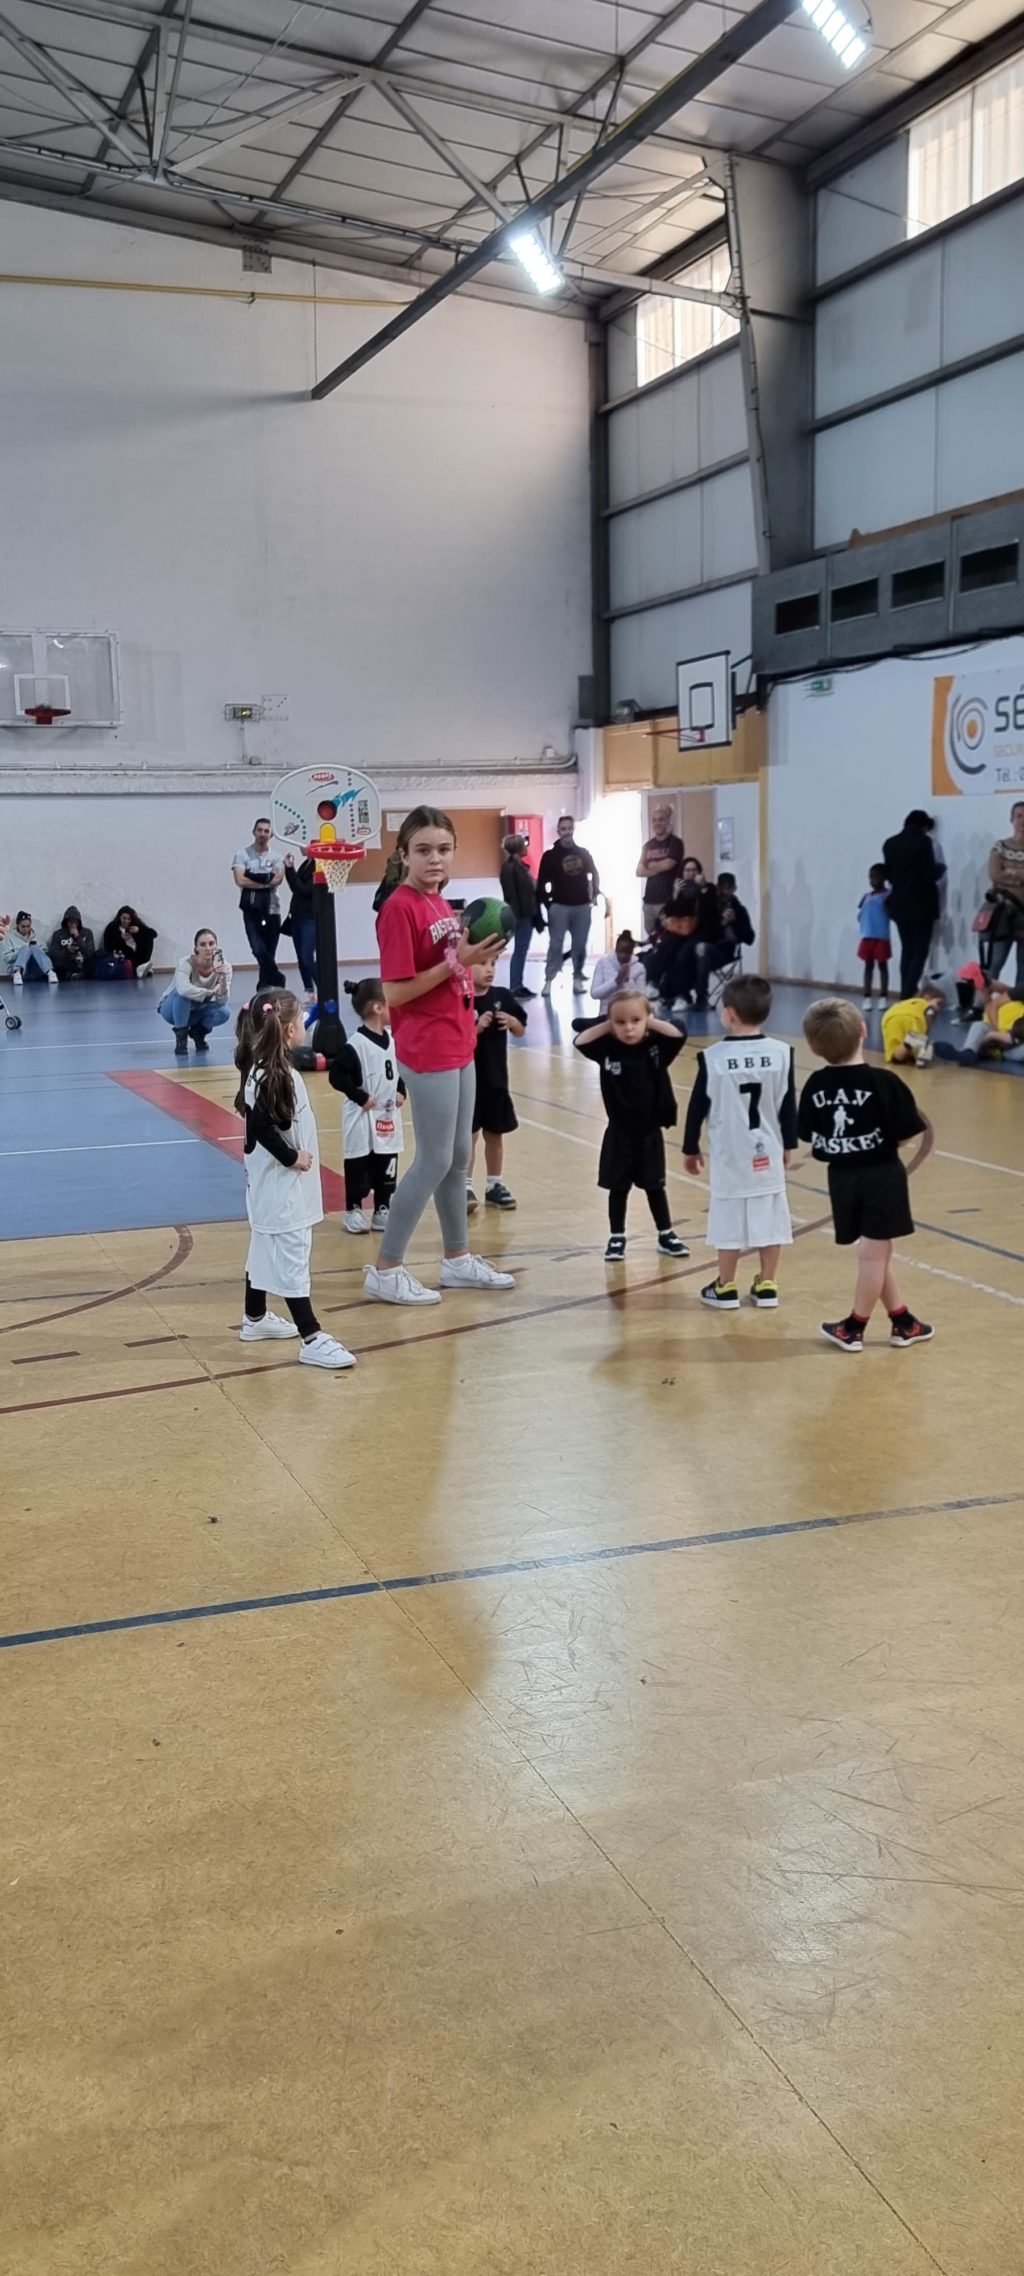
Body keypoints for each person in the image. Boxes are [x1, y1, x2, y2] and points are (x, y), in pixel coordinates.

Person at [368, 804, 517, 1306]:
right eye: (424, 850)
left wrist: (475, 961)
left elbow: (453, 966)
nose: (435, 858)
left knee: (457, 1158)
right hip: (426, 1044)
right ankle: (386, 1269)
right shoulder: (400, 908)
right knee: (433, 1159)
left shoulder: (439, 903)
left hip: (459, 1038)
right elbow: (394, 993)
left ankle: (456, 1259)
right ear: (403, 854)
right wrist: (459, 961)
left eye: (444, 849)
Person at [799, 996, 933, 1351]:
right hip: (881, 1176)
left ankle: (900, 1322)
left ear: (813, 1047)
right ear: (863, 1031)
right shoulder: (884, 1082)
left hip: (842, 1179)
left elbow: (808, 1133)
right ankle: (857, 1327)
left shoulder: (815, 1085)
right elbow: (907, 1132)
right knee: (875, 1253)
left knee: (875, 1250)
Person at [236, 990, 355, 1370]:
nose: (304, 1026)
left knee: (263, 1246)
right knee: (292, 1257)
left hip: (268, 1186)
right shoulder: (274, 1075)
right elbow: (261, 1125)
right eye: (302, 1020)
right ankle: (311, 1336)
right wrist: (292, 1156)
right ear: (289, 1030)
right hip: (282, 1186)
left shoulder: (266, 1068)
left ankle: (255, 1317)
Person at [682, 974, 796, 1312]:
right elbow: (788, 1105)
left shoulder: (713, 1057)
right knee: (770, 1215)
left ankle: (726, 1285)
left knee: (729, 1217)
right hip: (768, 1149)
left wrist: (690, 1146)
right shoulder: (782, 1053)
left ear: (729, 1014)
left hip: (730, 1153)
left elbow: (697, 1106)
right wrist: (788, 1143)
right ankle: (768, 1284)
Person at [574, 992, 689, 1262]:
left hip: (649, 1133)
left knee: (655, 1187)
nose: (628, 1028)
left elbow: (677, 1034)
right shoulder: (607, 1049)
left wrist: (648, 1021)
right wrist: (608, 1024)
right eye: (621, 1022)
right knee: (618, 1188)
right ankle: (617, 1236)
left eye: (635, 1020)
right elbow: (580, 1040)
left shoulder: (656, 1048)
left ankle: (666, 1234)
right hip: (619, 1134)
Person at [330, 978, 405, 1233]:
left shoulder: (393, 1040)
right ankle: (353, 1209)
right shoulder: (356, 1045)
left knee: (386, 1165)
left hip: (386, 1116)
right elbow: (336, 1076)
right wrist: (359, 1096)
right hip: (361, 1117)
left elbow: (398, 1070)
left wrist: (401, 1090)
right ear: (377, 1007)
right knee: (359, 1166)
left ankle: (382, 1207)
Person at [468, 954, 525, 1212]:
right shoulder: (462, 998)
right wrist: (476, 1028)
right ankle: (465, 1186)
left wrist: (512, 1022)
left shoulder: (502, 995)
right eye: (482, 964)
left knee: (495, 1135)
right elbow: (455, 1038)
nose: (489, 969)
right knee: (469, 1137)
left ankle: (494, 1184)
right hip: (469, 1081)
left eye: (493, 964)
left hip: (496, 1080)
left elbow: (520, 1029)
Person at [881, 810, 942, 999]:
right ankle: (908, 992)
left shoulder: (890, 843)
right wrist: (940, 869)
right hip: (922, 904)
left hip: (898, 903)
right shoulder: (924, 842)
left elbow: (889, 875)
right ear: (923, 826)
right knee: (920, 950)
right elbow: (928, 874)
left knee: (907, 949)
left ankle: (905, 990)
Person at [537, 816, 599, 997]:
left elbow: (594, 874)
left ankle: (577, 978)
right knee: (555, 945)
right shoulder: (550, 856)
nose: (567, 832)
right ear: (558, 831)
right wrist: (549, 905)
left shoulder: (583, 853)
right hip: (559, 907)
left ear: (573, 829)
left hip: (582, 906)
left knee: (580, 944)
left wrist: (594, 895)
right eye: (563, 829)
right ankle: (549, 980)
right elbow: (541, 882)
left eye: (569, 828)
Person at [157, 928, 232, 1056]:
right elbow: (183, 989)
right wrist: (208, 993)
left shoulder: (225, 967)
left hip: (197, 1009)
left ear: (216, 945)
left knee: (224, 1012)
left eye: (211, 943)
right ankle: (181, 1039)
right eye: (203, 944)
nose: (208, 948)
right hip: (172, 1010)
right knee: (182, 995)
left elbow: (222, 1001)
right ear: (196, 948)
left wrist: (223, 982)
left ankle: (199, 1033)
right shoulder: (185, 963)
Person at [232, 816, 285, 989]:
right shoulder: (242, 855)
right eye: (260, 830)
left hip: (272, 908)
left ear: (271, 835)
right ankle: (277, 977)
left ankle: (264, 986)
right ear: (253, 832)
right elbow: (240, 879)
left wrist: (253, 876)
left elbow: (277, 879)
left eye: (266, 831)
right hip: (251, 908)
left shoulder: (277, 857)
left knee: (270, 950)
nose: (263, 834)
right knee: (257, 949)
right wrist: (265, 881)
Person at [984, 800, 1024, 993]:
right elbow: (995, 874)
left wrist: (1009, 873)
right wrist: (1020, 878)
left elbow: (1002, 875)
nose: (1022, 821)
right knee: (995, 962)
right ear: (1011, 819)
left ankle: (1018, 1008)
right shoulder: (1000, 847)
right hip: (1003, 913)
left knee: (1023, 967)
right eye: (1019, 816)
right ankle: (981, 1005)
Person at [938, 979, 1024, 1066]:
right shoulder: (1020, 989)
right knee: (979, 1025)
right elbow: (993, 1006)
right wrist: (998, 1031)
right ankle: (969, 1052)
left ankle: (997, 1052)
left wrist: (996, 1036)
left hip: (1018, 1039)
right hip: (1009, 1030)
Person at [500, 834, 543, 998]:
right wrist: (516, 917)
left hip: (526, 913)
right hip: (520, 915)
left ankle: (518, 984)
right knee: (520, 950)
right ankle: (515, 986)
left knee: (522, 950)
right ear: (518, 847)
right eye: (524, 845)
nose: (526, 847)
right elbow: (510, 895)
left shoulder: (521, 867)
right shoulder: (510, 868)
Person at [636, 802, 685, 937]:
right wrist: (658, 866)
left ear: (668, 822)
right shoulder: (647, 846)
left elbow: (668, 865)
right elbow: (639, 871)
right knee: (652, 938)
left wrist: (649, 865)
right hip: (649, 902)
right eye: (654, 820)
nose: (657, 823)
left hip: (667, 901)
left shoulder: (676, 843)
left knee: (669, 936)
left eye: (661, 820)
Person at [881, 985, 945, 1067]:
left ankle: (907, 1044)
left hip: (890, 1017)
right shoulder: (925, 1005)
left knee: (894, 1052)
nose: (938, 1009)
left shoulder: (906, 1003)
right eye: (938, 1004)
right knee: (920, 1043)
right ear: (927, 996)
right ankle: (918, 1054)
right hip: (913, 1017)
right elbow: (929, 1014)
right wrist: (926, 1037)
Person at [857, 863, 892, 1009]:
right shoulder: (866, 897)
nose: (873, 881)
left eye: (876, 877)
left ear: (884, 878)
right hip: (867, 937)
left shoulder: (887, 896)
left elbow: (890, 912)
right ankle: (867, 996)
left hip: (881, 937)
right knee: (868, 966)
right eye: (870, 878)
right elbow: (861, 913)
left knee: (882, 966)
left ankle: (883, 996)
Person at [282, 853, 317, 997]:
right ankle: (310, 992)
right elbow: (296, 887)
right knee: (302, 959)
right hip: (297, 917)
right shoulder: (306, 863)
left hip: (309, 919)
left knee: (306, 957)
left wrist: (290, 869)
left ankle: (324, 988)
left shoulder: (318, 866)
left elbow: (304, 890)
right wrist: (290, 869)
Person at [590, 932, 651, 1015]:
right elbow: (595, 994)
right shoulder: (603, 963)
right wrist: (616, 981)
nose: (623, 955)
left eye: (627, 953)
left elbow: (642, 998)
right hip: (606, 1014)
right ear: (616, 950)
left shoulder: (639, 968)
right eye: (621, 952)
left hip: (630, 1015)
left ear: (632, 952)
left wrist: (627, 981)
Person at [1, 911, 57, 986]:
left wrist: (34, 950)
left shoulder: (37, 938)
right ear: (18, 925)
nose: (26, 929)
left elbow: (45, 952)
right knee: (25, 949)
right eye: (23, 926)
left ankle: (50, 972)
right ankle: (17, 973)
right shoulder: (10, 938)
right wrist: (20, 953)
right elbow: (6, 957)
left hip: (36, 970)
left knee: (34, 947)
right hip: (20, 970)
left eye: (28, 926)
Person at [102, 905, 156, 977]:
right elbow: (108, 945)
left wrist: (139, 930)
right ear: (119, 918)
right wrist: (121, 939)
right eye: (124, 918)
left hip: (138, 954)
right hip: (122, 956)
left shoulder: (135, 925)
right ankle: (138, 968)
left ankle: (142, 965)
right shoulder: (112, 927)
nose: (126, 921)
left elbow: (154, 933)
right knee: (125, 950)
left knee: (148, 937)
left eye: (129, 919)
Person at [48, 905, 96, 981]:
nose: (73, 925)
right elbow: (53, 955)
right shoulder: (58, 934)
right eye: (70, 922)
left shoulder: (87, 932)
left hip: (82, 962)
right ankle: (73, 974)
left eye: (75, 923)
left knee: (96, 959)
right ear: (66, 922)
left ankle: (80, 974)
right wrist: (68, 950)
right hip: (67, 962)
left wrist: (78, 938)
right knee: (57, 964)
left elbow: (90, 953)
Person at [716, 873, 755, 953]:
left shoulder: (739, 910)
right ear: (717, 888)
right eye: (722, 888)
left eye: (728, 888)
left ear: (734, 889)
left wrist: (735, 921)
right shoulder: (711, 906)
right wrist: (722, 921)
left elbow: (750, 939)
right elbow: (706, 933)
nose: (725, 891)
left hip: (727, 950)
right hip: (711, 946)